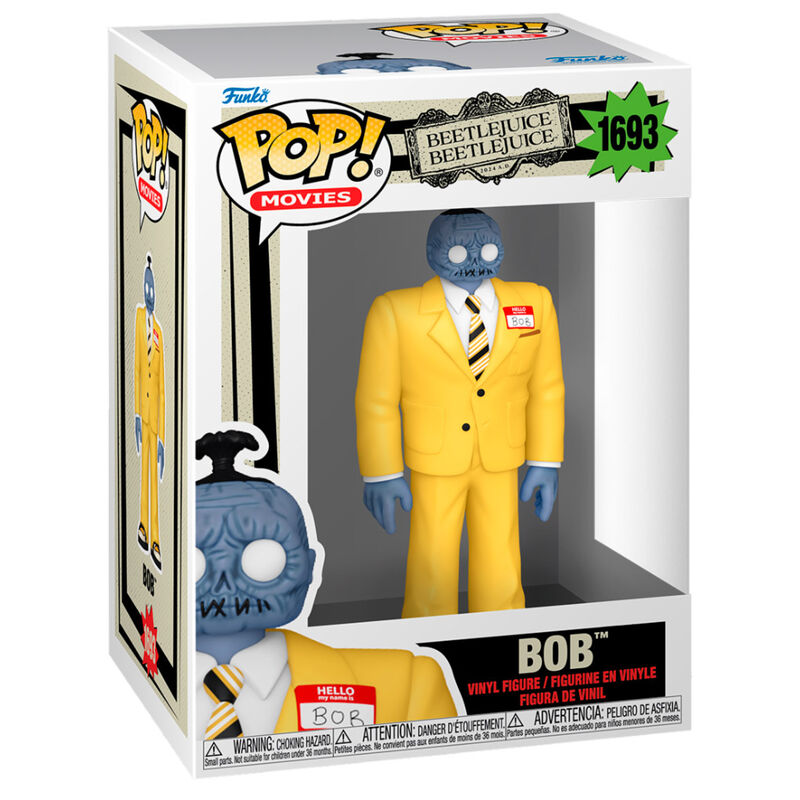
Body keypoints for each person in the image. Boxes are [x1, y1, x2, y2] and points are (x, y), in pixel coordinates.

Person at [356, 209, 565, 618]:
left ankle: (501, 631)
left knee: (501, 559)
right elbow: (376, 399)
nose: (472, 259)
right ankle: (427, 636)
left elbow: (547, 387)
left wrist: (545, 460)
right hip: (434, 458)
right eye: (456, 251)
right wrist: (381, 472)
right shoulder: (396, 311)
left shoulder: (534, 302)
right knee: (431, 558)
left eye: (486, 249)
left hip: (501, 455)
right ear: (431, 252)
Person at [195, 428, 458, 740]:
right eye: (194, 561)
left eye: (263, 558)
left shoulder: (406, 684)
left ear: (309, 566)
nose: (224, 586)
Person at [134, 254, 166, 572]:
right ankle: (142, 525)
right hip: (142, 413)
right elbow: (136, 369)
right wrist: (135, 414)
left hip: (155, 417)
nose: (150, 293)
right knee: (143, 474)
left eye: (152, 288)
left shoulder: (158, 332)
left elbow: (162, 388)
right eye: (147, 287)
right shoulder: (139, 318)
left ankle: (155, 537)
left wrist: (163, 439)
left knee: (154, 480)